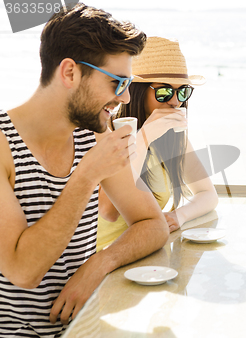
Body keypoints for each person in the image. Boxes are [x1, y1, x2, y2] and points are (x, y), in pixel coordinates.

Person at [0, 4, 171, 336]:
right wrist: (87, 176)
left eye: (128, 83)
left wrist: (100, 263)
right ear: (69, 72)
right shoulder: (3, 147)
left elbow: (153, 225)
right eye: (116, 82)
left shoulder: (93, 136)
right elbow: (23, 271)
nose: (123, 97)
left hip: (83, 329)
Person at [97, 37, 218, 251]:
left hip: (143, 249)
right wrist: (144, 137)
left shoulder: (172, 137)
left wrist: (178, 216)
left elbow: (208, 194)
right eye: (164, 92)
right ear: (137, 91)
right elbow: (109, 210)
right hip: (102, 254)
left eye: (182, 91)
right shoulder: (105, 131)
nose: (175, 101)